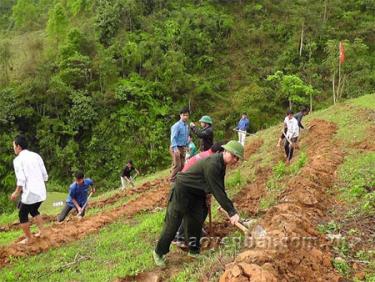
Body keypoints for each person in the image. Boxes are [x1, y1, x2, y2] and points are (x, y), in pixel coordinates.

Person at [153, 140, 243, 267]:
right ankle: (158, 252)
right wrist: (231, 211)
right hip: (182, 190)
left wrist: (209, 194)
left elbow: (219, 187)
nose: (235, 160)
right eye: (234, 156)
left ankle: (194, 252)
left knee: (195, 221)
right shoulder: (213, 164)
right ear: (226, 151)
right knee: (173, 223)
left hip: (196, 193)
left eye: (237, 158)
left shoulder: (221, 164)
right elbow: (218, 190)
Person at [173, 142, 225, 247]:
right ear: (220, 152)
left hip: (190, 183)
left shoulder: (206, 154)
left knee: (202, 208)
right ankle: (180, 236)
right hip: (187, 185)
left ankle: (194, 229)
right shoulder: (211, 160)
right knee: (193, 210)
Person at [10, 135, 48, 244]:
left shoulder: (18, 160)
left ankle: (29, 238)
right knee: (33, 210)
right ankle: (42, 232)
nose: (13, 148)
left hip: (30, 193)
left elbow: (21, 179)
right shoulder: (36, 156)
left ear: (18, 146)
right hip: (41, 191)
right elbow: (45, 175)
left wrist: (16, 192)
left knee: (22, 214)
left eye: (14, 146)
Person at [170, 108, 190, 182]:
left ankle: (179, 179)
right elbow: (173, 138)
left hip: (182, 147)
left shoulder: (186, 126)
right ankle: (172, 180)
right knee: (177, 165)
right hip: (176, 147)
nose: (185, 117)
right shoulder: (176, 126)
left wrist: (187, 146)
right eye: (184, 115)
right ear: (180, 115)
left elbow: (186, 137)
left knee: (182, 165)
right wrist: (175, 149)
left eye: (187, 115)